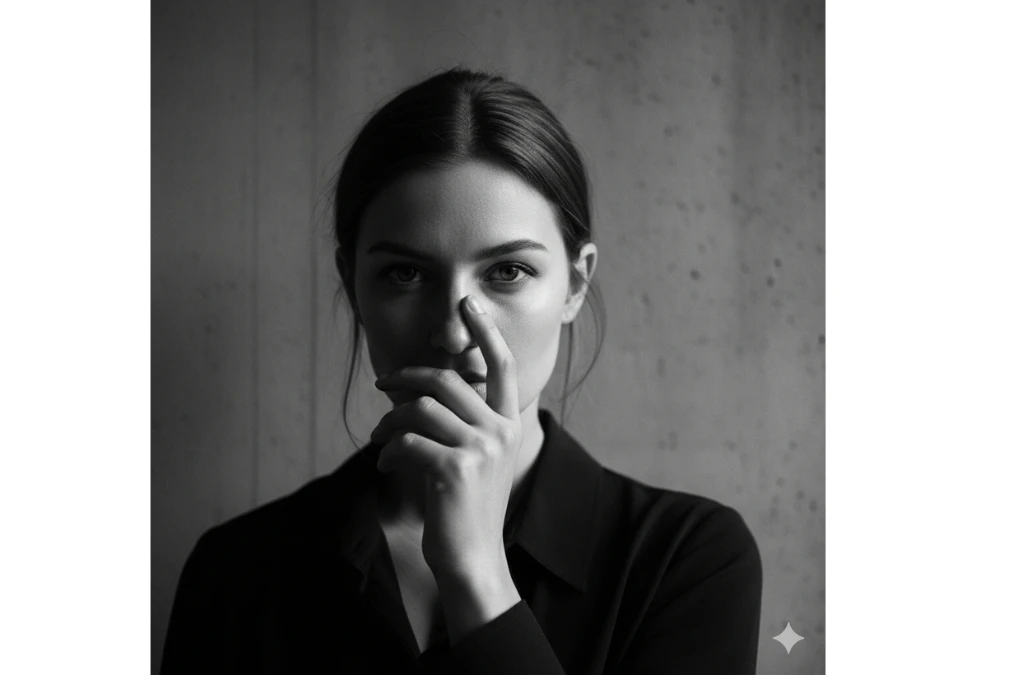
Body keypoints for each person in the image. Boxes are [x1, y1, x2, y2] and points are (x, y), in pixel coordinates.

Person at [161, 67, 762, 674]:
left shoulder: (685, 560)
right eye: (405, 274)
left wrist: (477, 575)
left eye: (507, 272)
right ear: (352, 285)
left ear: (575, 284)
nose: (451, 331)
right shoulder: (237, 570)